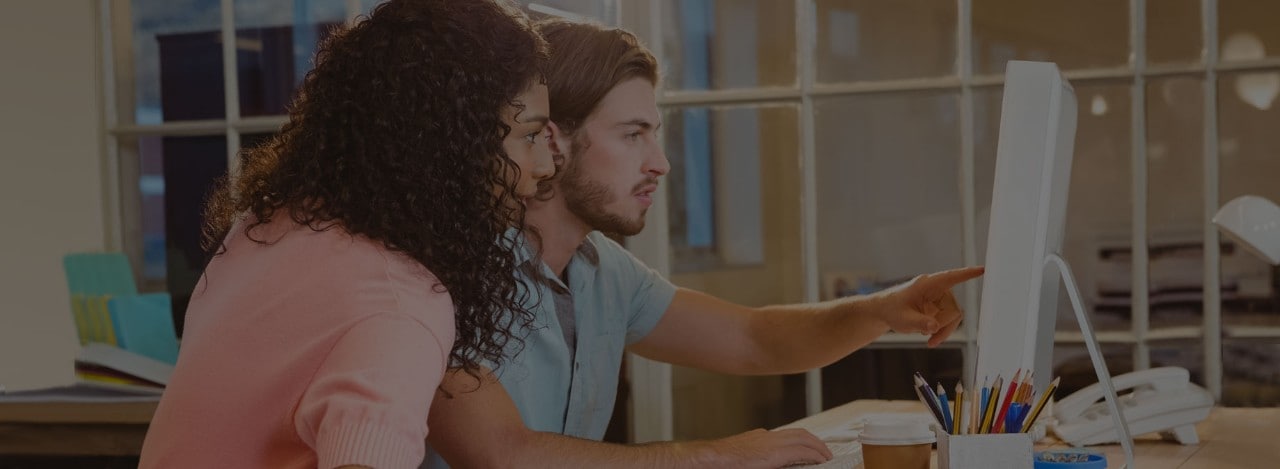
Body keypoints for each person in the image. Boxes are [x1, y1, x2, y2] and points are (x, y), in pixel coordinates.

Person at [422, 19, 984, 469]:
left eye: (655, 136)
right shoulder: (443, 276)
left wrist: (882, 308)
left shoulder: (603, 269)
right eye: (632, 134)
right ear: (553, 138)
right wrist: (718, 453)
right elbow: (500, 454)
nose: (660, 164)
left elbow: (751, 339)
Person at [138, 1, 555, 468]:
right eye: (531, 136)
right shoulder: (399, 308)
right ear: (453, 142)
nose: (546, 166)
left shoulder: (268, 226)